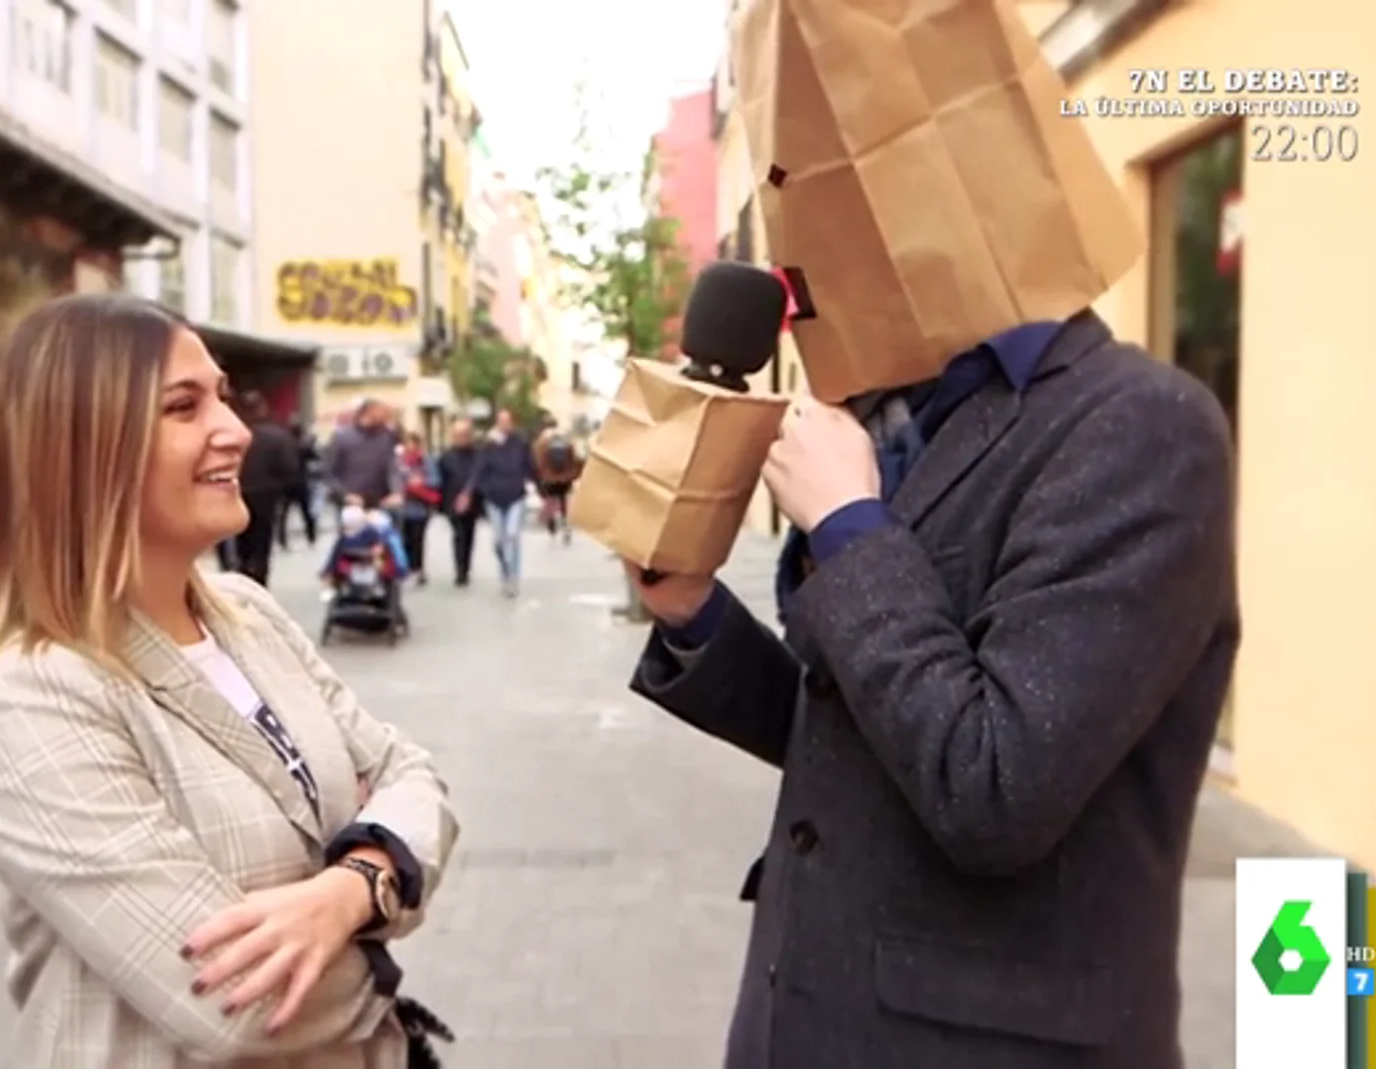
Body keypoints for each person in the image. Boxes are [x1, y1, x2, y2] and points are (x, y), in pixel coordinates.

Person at [627, 314, 1238, 1066]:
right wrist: (697, 614)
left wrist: (848, 526)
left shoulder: (1143, 426)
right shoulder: (897, 408)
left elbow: (996, 780)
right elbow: (852, 722)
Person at [0, 294, 459, 1068]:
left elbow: (411, 777)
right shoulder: (32, 693)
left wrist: (356, 883)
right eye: (183, 406)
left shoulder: (248, 614)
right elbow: (236, 1003)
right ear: (81, 452)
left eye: (220, 394)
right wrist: (394, 909)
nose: (236, 428)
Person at [464, 408, 534, 598]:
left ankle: (512, 579)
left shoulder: (520, 443)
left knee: (512, 536)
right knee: (498, 541)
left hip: (515, 496)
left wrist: (538, 489)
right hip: (494, 498)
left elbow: (530, 466)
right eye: (500, 420)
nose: (503, 424)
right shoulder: (488, 445)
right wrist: (471, 491)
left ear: (512, 423)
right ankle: (504, 572)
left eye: (507, 420)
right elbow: (479, 468)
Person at [234, 390, 300, 587]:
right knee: (262, 542)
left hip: (238, 492)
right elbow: (290, 467)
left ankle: (243, 573)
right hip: (266, 495)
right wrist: (283, 489)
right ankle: (260, 581)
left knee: (241, 540)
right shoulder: (276, 436)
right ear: (263, 409)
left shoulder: (235, 435)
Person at [323, 399, 402, 511]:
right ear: (367, 412)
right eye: (383, 415)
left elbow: (392, 467)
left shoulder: (386, 437)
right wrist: (345, 495)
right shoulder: (342, 437)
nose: (387, 420)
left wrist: (396, 492)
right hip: (350, 504)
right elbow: (330, 474)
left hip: (381, 502)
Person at [435, 418, 480, 588]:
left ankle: (466, 567)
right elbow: (441, 480)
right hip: (451, 501)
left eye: (464, 434)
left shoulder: (477, 454)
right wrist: (440, 504)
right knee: (458, 535)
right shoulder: (446, 456)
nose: (460, 438)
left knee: (469, 535)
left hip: (473, 501)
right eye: (457, 435)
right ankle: (460, 571)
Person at [396, 432, 441, 586]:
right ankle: (406, 567)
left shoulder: (425, 460)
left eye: (412, 443)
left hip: (421, 506)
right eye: (407, 443)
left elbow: (435, 480)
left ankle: (418, 569)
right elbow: (393, 479)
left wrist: (421, 482)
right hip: (402, 506)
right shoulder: (399, 461)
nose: (409, 447)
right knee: (403, 538)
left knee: (418, 538)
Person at [530, 417, 583, 545]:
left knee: (549, 500)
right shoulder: (566, 440)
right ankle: (566, 525)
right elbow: (575, 458)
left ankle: (551, 522)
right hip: (565, 478)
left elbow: (537, 461)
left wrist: (539, 476)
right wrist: (572, 475)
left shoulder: (541, 442)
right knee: (564, 501)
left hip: (548, 477)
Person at [279, 416, 320, 548]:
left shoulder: (284, 444)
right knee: (306, 511)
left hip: (286, 482)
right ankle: (311, 536)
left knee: (284, 514)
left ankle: (283, 539)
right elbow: (314, 456)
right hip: (300, 482)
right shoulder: (303, 444)